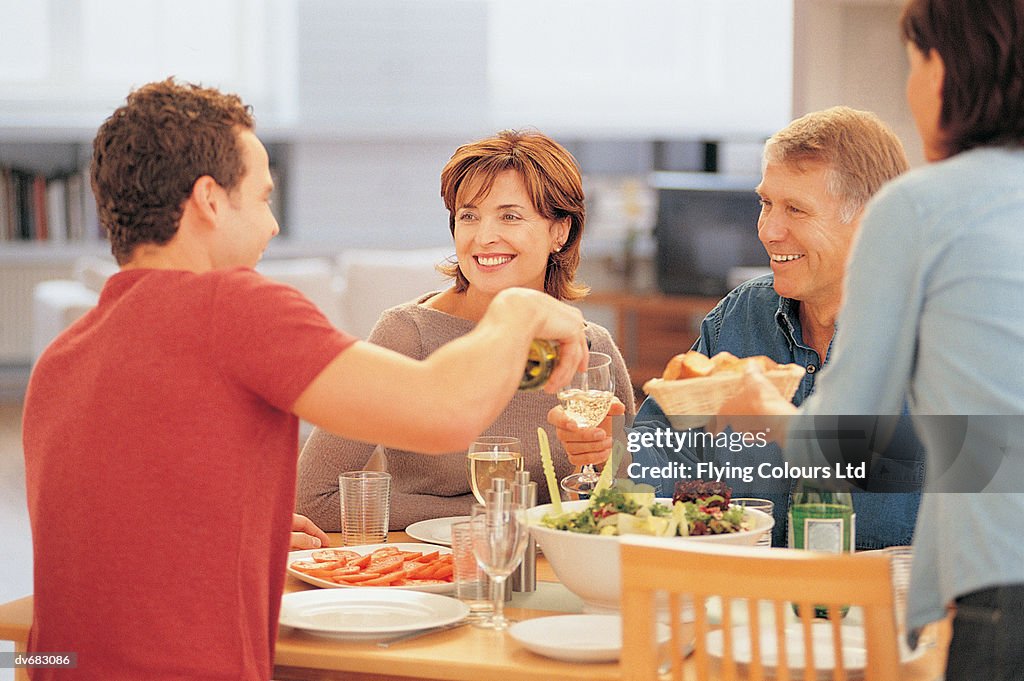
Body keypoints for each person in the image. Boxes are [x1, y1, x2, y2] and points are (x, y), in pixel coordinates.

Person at [21, 80, 590, 681]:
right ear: (210, 200)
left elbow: (124, 536)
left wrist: (250, 529)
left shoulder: (63, 355)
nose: (270, 226)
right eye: (263, 198)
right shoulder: (231, 305)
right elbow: (443, 411)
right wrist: (520, 311)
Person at [716, 2, 1024, 677]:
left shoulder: (920, 207)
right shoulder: (737, 318)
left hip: (1000, 587)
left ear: (950, 71)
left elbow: (841, 444)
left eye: (914, 63)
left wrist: (760, 414)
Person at [551, 106, 925, 549]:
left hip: (883, 609)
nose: (768, 230)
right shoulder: (740, 316)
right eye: (766, 203)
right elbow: (671, 454)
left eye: (796, 210)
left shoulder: (938, 334)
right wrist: (613, 453)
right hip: (740, 602)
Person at [297, 130, 635, 530]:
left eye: (509, 215)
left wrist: (597, 467)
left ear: (560, 231)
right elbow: (313, 499)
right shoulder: (408, 334)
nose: (482, 236)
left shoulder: (591, 346)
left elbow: (631, 502)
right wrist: (502, 518)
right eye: (469, 215)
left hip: (550, 570)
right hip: (432, 572)